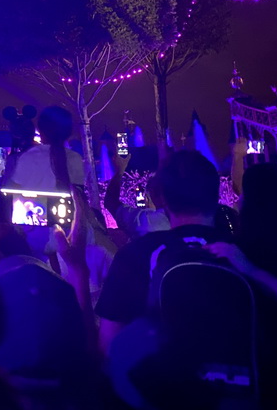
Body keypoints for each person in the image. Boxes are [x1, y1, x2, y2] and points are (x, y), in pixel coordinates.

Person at [96, 150, 227, 353]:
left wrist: (119, 171)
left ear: (164, 198)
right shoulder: (245, 255)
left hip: (157, 380)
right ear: (216, 194)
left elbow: (109, 346)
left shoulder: (133, 256)